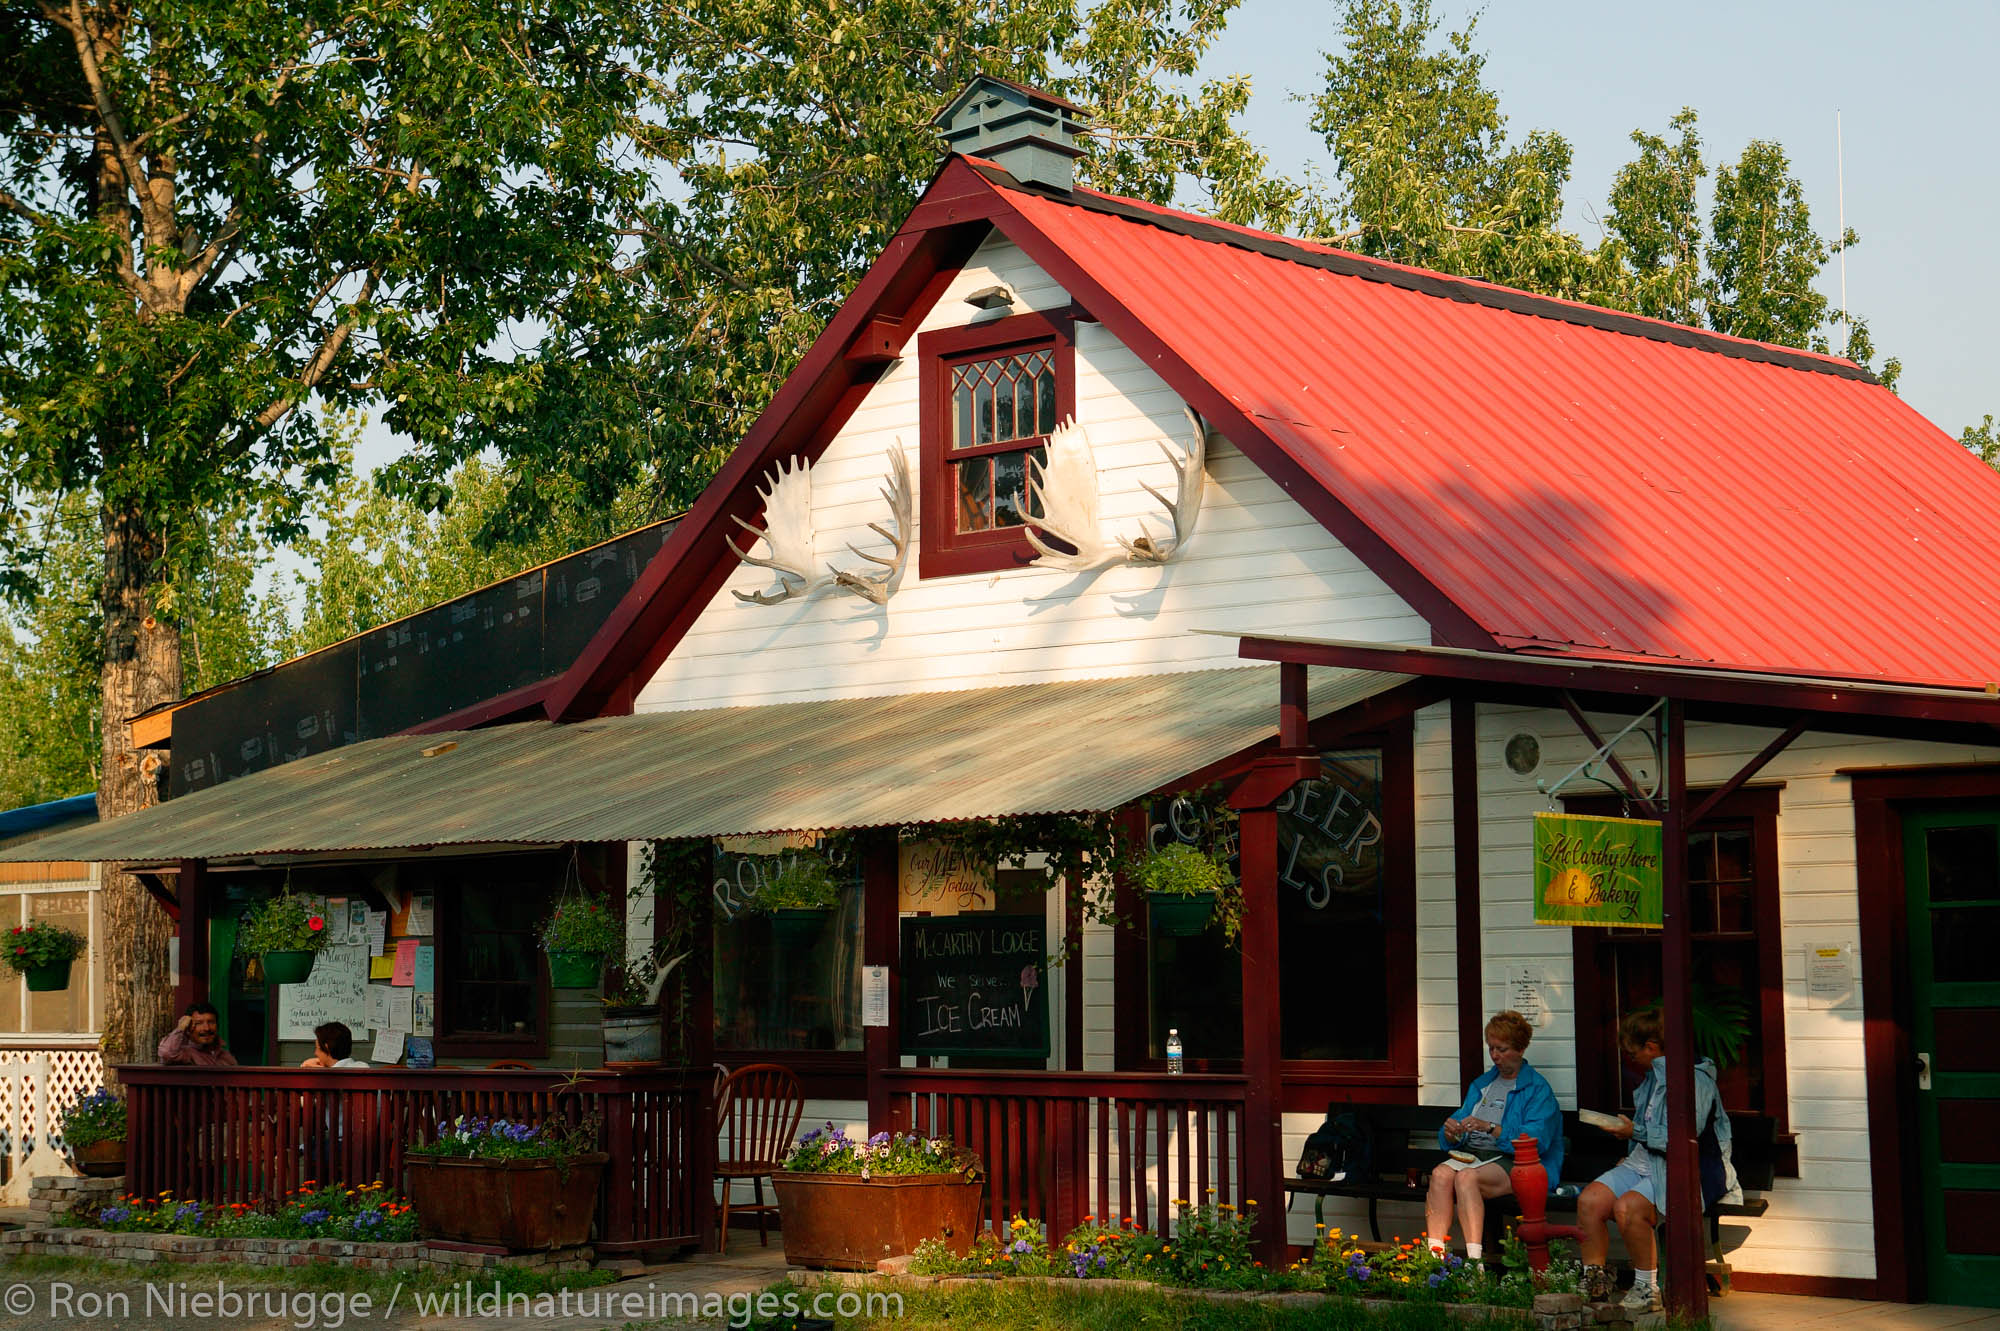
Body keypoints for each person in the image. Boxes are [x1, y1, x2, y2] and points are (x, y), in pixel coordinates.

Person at [1577, 1008, 1734, 1313]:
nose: (1629, 1057)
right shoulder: (1653, 1077)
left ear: (1651, 1047)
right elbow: (1649, 1127)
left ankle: (1646, 1288)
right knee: (1590, 1200)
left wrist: (1634, 1131)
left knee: (1628, 1207)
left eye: (1632, 1051)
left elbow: (1683, 1138)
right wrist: (1631, 1137)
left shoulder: (1695, 1081)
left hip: (1688, 1168)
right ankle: (1594, 1281)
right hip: (1645, 1160)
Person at [1425, 1010, 1562, 1264]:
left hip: (1517, 1162)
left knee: (1466, 1178)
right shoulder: (1482, 1084)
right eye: (1491, 1049)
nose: (1495, 1056)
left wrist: (1490, 1128)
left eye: (1502, 1049)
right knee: (1440, 1174)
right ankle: (1435, 1260)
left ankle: (1475, 1264)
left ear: (1520, 1049)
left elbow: (1535, 1142)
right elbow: (1461, 1121)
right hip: (1475, 1156)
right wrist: (1452, 1133)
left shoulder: (1537, 1089)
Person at [157, 1001, 238, 1067]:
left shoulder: (225, 1055)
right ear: (188, 1029)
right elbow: (166, 1053)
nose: (207, 1028)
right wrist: (181, 1028)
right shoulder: (187, 1054)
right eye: (199, 1023)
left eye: (211, 1022)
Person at [299, 1021, 370, 1068]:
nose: (315, 1053)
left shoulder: (324, 1078)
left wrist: (305, 1066)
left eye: (317, 1048)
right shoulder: (363, 1067)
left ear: (326, 1048)